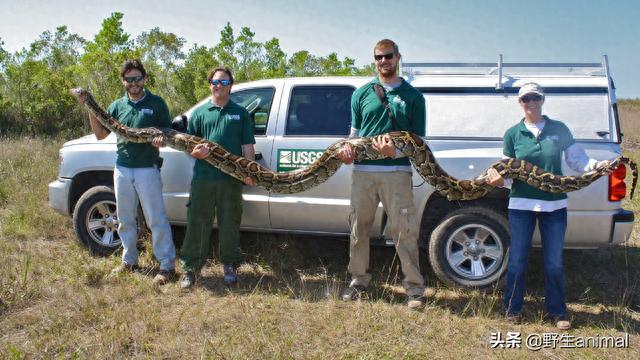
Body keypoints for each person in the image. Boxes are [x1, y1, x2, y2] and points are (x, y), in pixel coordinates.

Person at [485, 82, 611, 330]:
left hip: (554, 206)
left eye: (535, 98)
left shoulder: (559, 129)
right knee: (518, 260)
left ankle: (557, 311)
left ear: (542, 100)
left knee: (554, 262)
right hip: (521, 205)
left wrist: (598, 166)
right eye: (526, 99)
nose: (531, 103)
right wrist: (500, 181)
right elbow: (508, 171)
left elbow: (578, 160)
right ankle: (512, 309)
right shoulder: (513, 134)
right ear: (520, 103)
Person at [336, 39, 426, 310]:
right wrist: (347, 151)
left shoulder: (413, 96)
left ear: (397, 57)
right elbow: (353, 135)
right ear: (374, 60)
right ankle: (358, 281)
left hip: (397, 173)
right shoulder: (361, 94)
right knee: (358, 228)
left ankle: (414, 289)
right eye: (378, 57)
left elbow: (418, 141)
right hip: (363, 173)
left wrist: (395, 152)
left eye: (388, 56)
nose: (383, 61)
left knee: (403, 230)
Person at [81, 59, 176, 285]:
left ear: (144, 79)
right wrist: (91, 109)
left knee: (156, 219)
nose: (133, 83)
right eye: (129, 79)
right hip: (122, 168)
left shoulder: (157, 103)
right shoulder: (116, 106)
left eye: (137, 78)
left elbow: (168, 135)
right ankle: (129, 261)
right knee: (124, 219)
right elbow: (101, 135)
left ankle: (167, 265)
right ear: (123, 81)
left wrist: (160, 141)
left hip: (147, 169)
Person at [179, 66, 256, 289]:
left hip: (230, 180)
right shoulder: (200, 113)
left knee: (230, 223)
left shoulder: (240, 113)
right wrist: (195, 153)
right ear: (210, 84)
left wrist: (249, 172)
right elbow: (188, 145)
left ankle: (230, 264)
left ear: (230, 86)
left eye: (223, 82)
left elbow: (247, 147)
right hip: (203, 178)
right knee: (197, 223)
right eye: (214, 82)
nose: (218, 86)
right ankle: (191, 268)